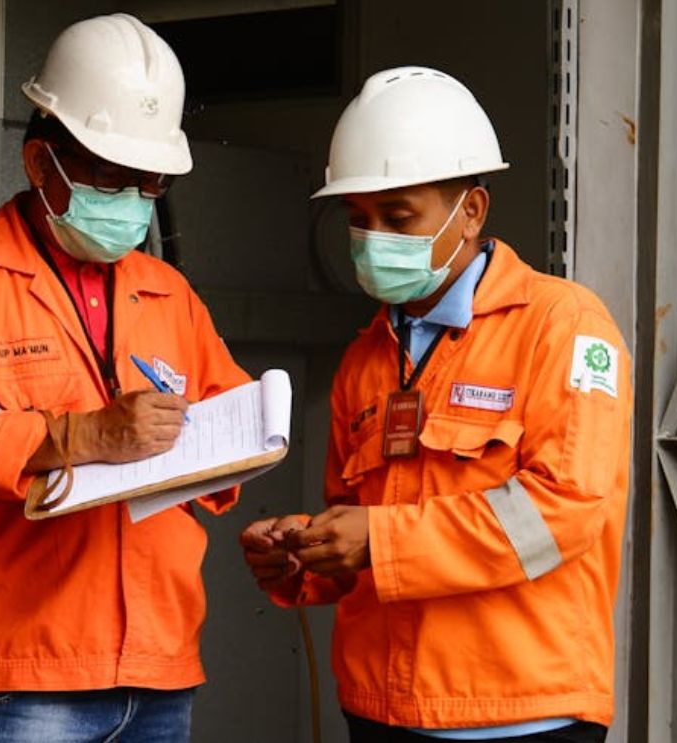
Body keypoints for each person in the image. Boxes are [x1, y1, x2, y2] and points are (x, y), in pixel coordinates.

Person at [0, 14, 251, 742]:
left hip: (160, 666)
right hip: (22, 676)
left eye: (148, 183)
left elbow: (228, 416)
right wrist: (82, 435)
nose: (134, 202)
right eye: (112, 178)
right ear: (42, 165)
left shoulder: (168, 291)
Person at [240, 67, 632, 743]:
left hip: (519, 715)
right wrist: (307, 551)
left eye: (397, 217)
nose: (371, 240)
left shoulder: (562, 325)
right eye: (357, 220)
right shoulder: (365, 358)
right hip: (381, 709)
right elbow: (365, 528)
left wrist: (377, 541)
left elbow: (560, 512)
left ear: (471, 211)